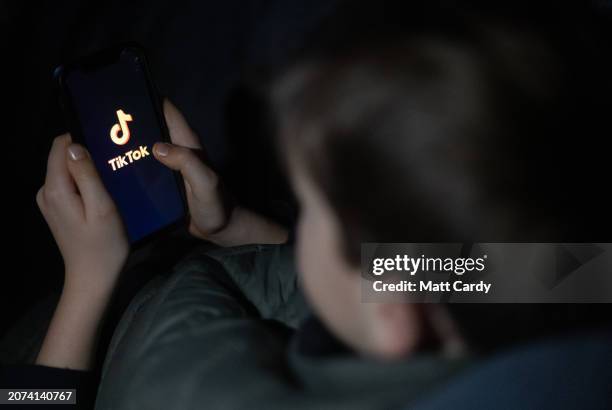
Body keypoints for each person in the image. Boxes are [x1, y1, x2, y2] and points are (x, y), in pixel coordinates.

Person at [3, 2, 612, 409]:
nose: (303, 220)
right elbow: (351, 276)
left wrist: (86, 283)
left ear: (394, 318)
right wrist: (229, 225)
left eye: (311, 205)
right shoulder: (528, 273)